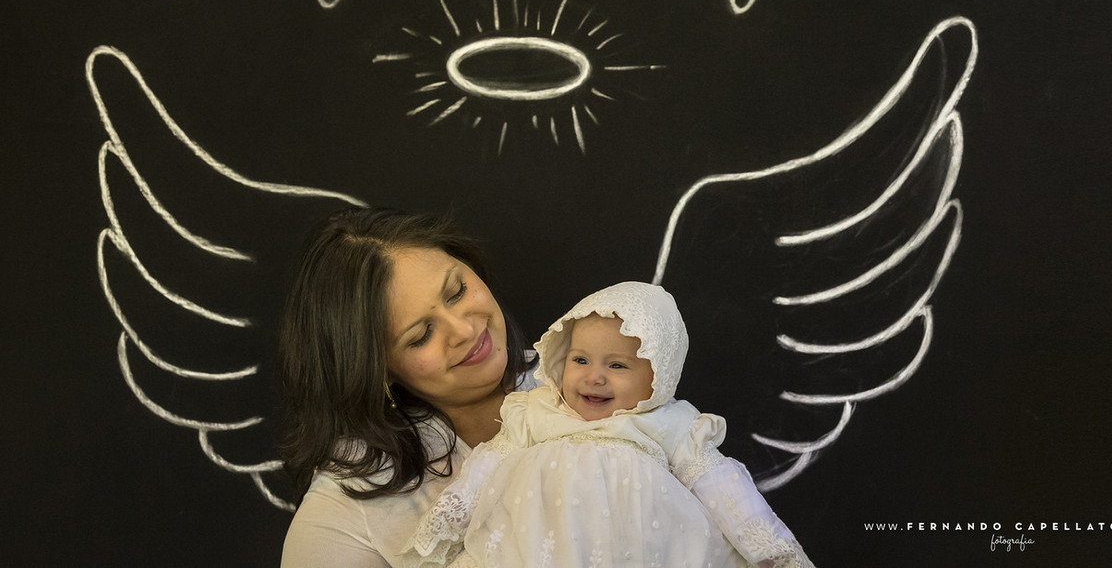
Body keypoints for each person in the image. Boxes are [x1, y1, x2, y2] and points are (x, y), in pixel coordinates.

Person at [400, 281, 816, 568]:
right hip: (533, 549)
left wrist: (767, 547)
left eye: (617, 365)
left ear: (658, 377)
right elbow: (487, 467)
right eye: (580, 360)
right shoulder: (537, 409)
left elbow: (721, 485)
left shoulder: (669, 422)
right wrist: (449, 520)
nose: (593, 377)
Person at [277, 208, 534, 568]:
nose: (463, 330)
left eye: (457, 291)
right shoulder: (349, 506)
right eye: (421, 335)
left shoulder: (601, 381)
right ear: (378, 371)